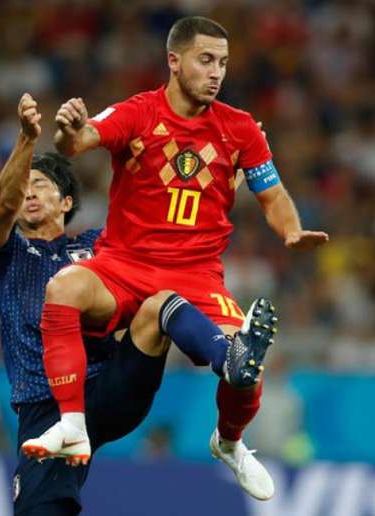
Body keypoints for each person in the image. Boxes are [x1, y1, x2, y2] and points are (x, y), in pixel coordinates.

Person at [24, 16, 329, 501]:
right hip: (123, 265)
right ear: (174, 60)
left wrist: (291, 232)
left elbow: (272, 195)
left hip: (197, 276)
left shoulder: (240, 129)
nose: (216, 73)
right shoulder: (138, 113)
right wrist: (67, 133)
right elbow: (77, 143)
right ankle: (72, 425)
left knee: (245, 366)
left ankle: (229, 443)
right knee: (62, 288)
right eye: (206, 60)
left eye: (223, 63)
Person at [0, 93, 174, 515]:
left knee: (160, 305)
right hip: (44, 403)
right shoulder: (5, 253)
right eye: (24, 187)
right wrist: (28, 139)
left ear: (67, 203)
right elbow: (4, 206)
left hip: (107, 386)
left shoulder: (94, 245)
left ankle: (222, 353)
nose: (29, 195)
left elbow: (150, 232)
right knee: (40, 508)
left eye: (41, 186)